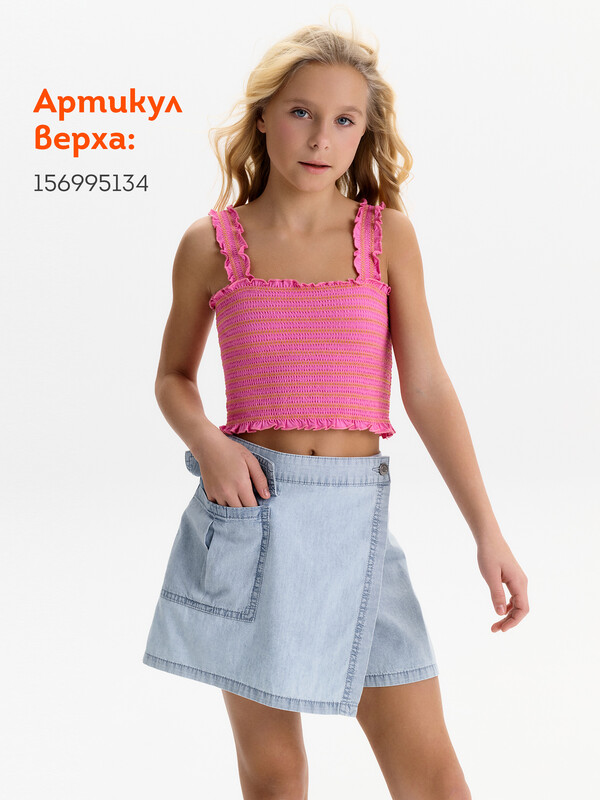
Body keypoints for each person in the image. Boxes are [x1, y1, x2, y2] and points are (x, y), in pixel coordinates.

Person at [142, 18, 529, 800]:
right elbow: (172, 379)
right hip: (250, 517)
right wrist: (210, 444)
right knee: (275, 775)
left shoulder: (387, 237)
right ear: (264, 117)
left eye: (345, 120)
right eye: (301, 112)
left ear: (363, 133)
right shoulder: (210, 244)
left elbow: (426, 386)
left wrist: (487, 531)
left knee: (431, 775)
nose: (322, 138)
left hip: (357, 525)